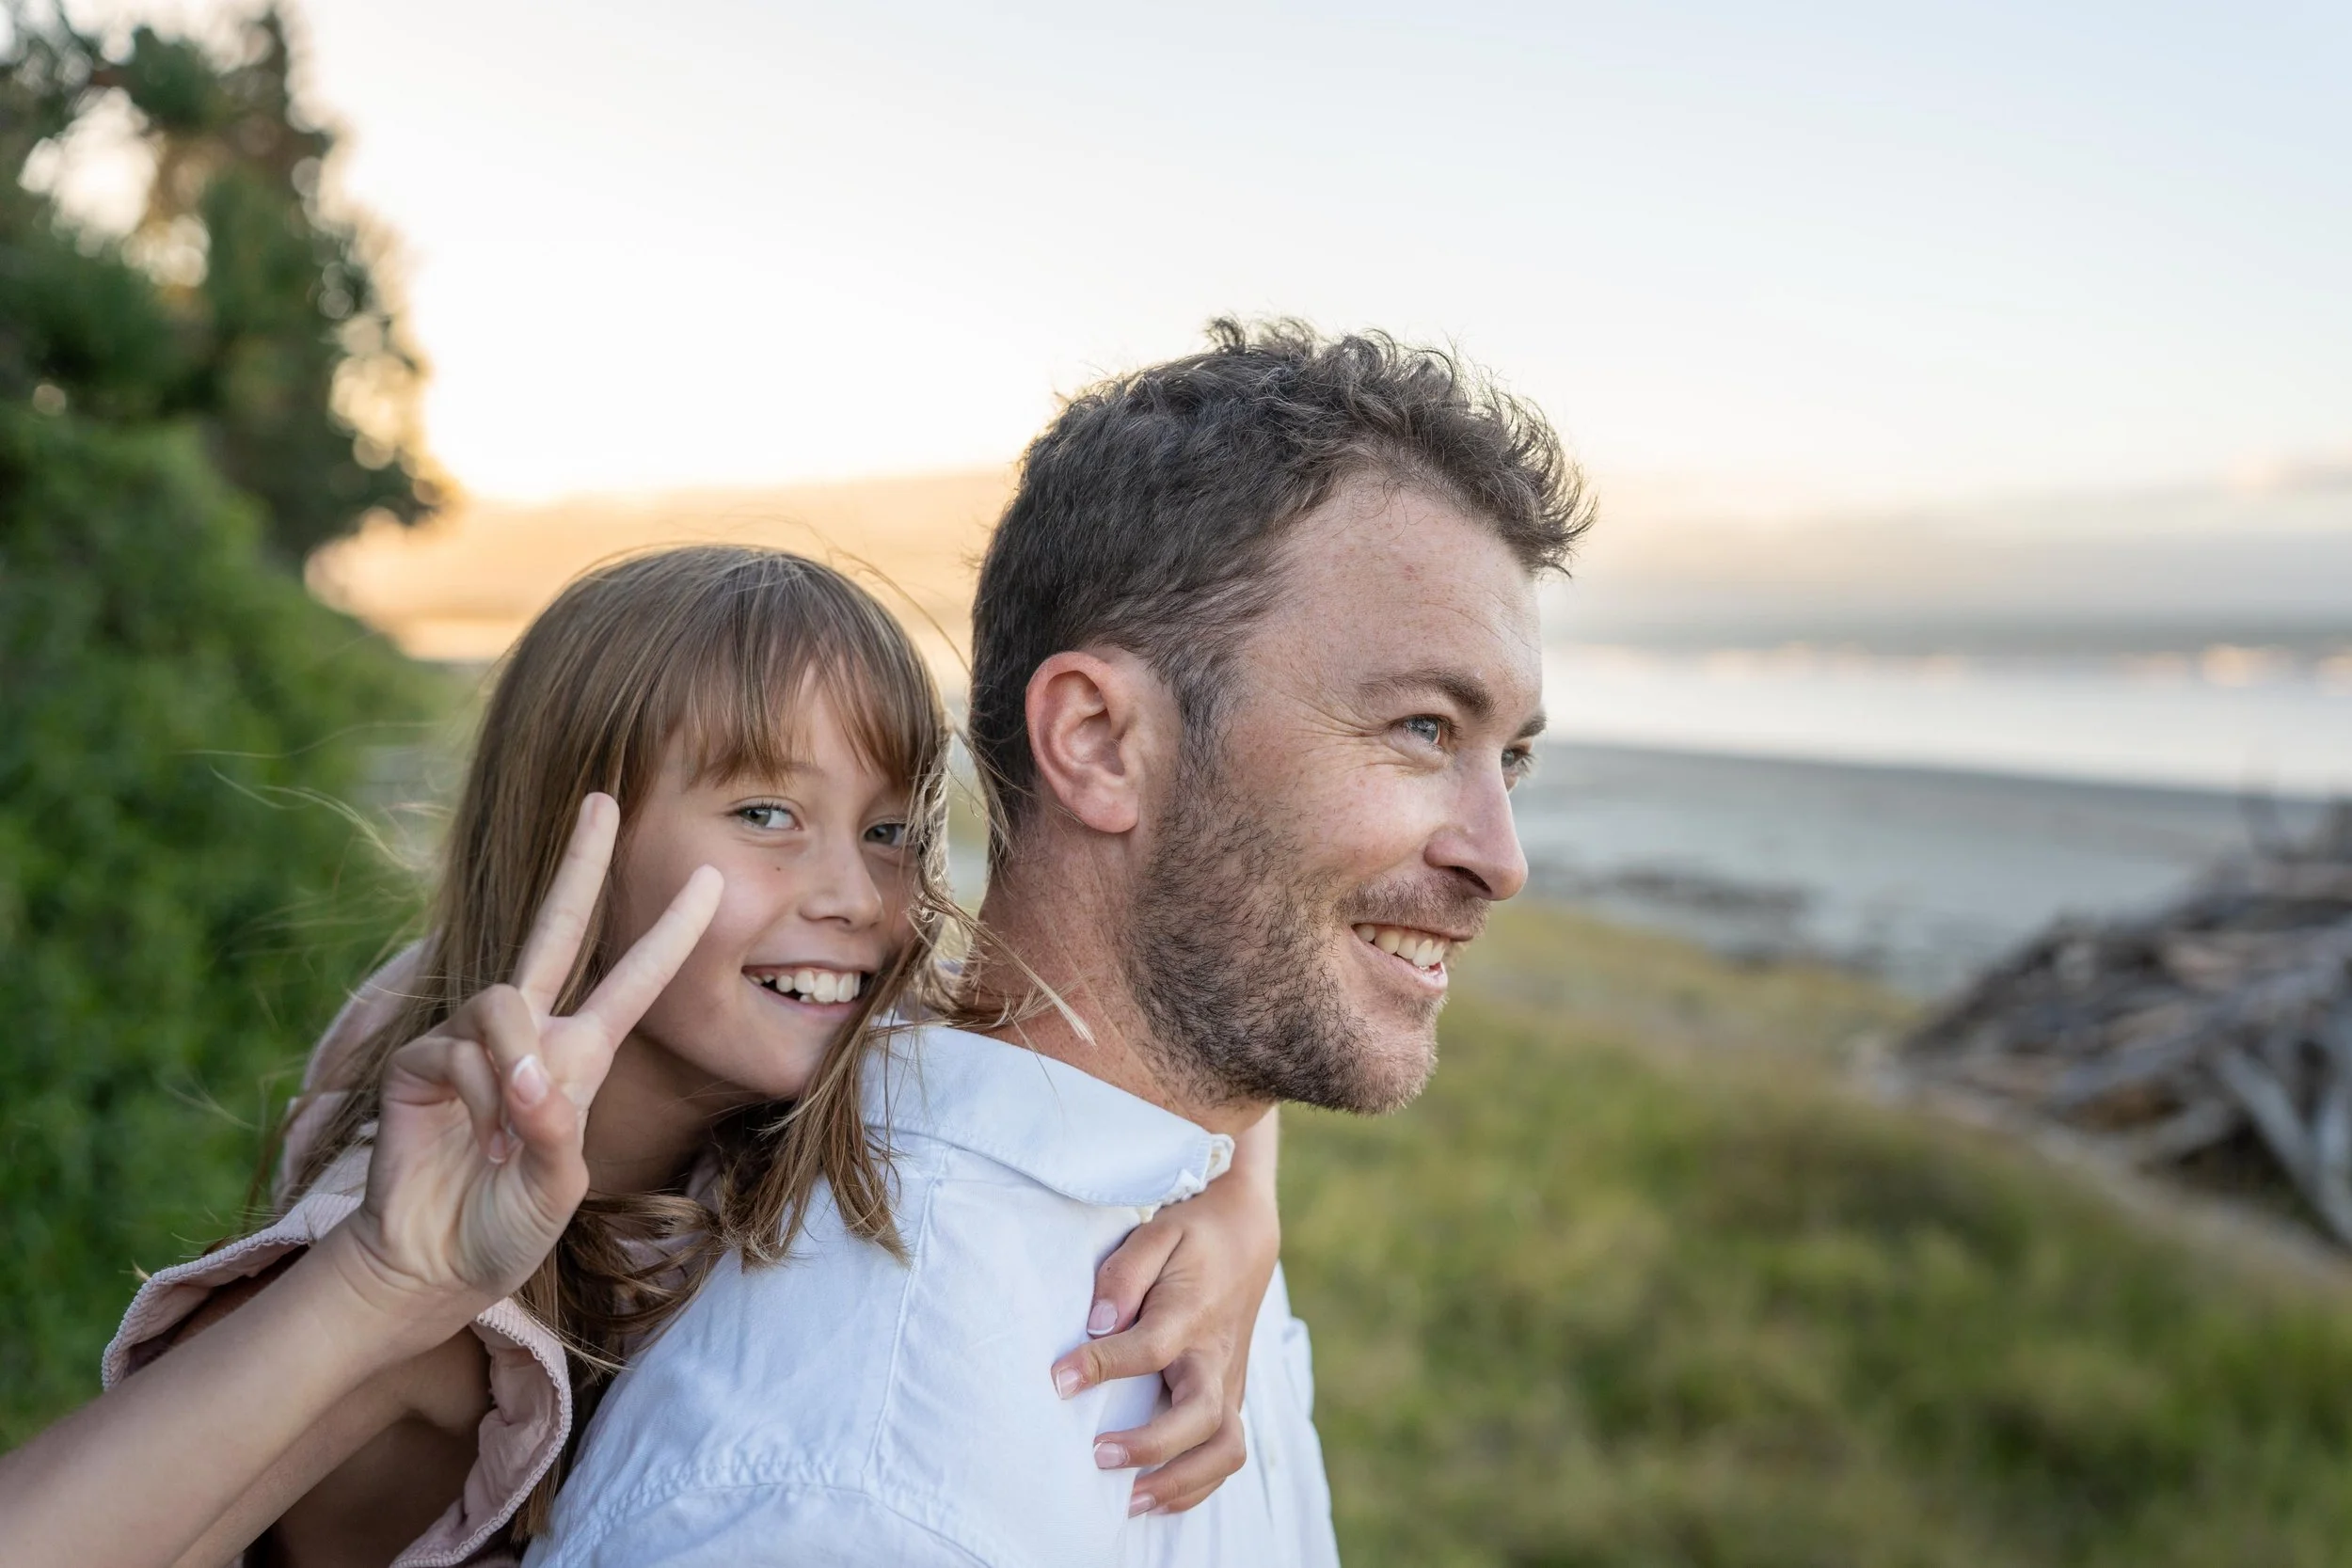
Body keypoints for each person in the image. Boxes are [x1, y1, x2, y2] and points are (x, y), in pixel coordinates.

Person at [524, 320, 1590, 1565]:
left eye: (1509, 756)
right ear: (1096, 740)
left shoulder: (1183, 1205)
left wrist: (1244, 1182)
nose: (1501, 857)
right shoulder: (854, 1493)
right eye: (1420, 726)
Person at [0, 546, 1282, 1566]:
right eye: (766, 812)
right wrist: (382, 1280)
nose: (852, 890)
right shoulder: (433, 1280)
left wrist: (1238, 1201)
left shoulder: (807, 1032)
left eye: (894, 827)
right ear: (575, 841)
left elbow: (1163, 1012)